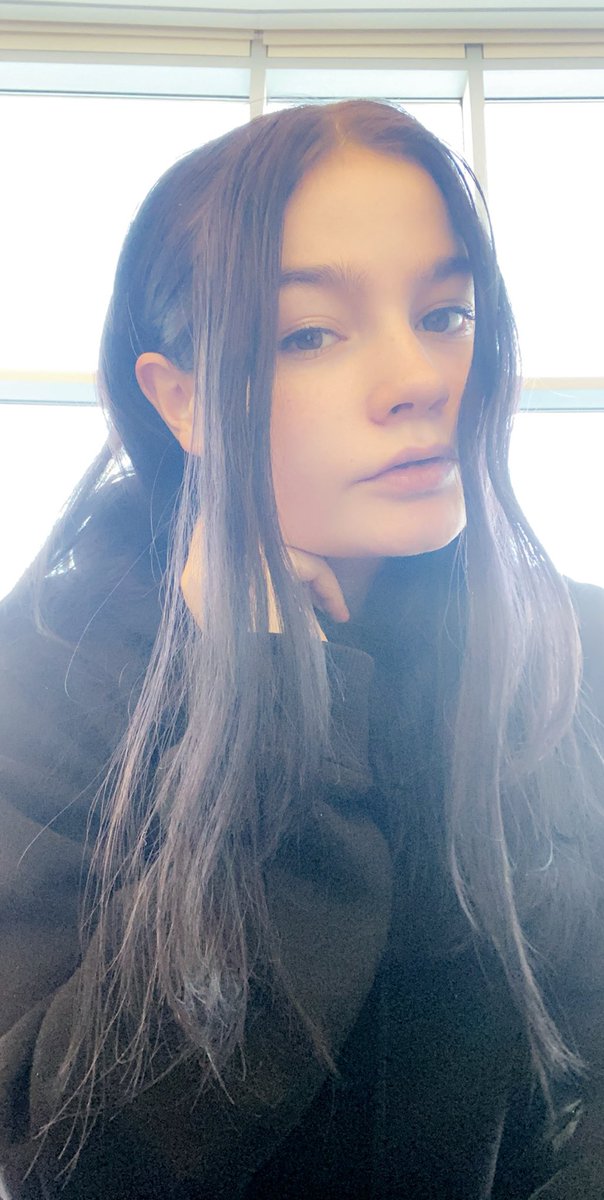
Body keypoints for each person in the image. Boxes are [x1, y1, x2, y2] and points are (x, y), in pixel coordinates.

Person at [0, 99, 603, 1200]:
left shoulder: (572, 649)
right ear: (182, 399)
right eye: (310, 335)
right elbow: (76, 1161)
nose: (420, 377)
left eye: (447, 313)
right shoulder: (48, 670)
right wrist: (275, 707)